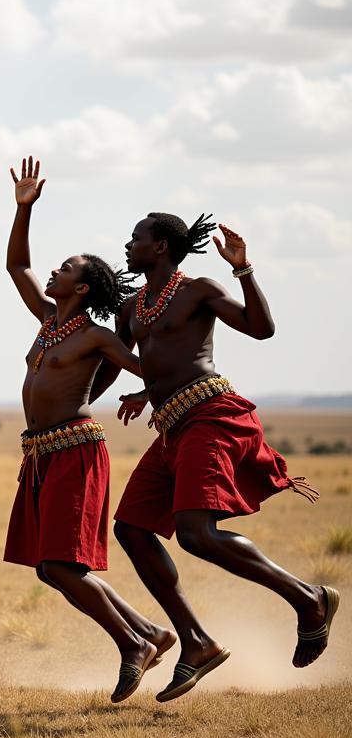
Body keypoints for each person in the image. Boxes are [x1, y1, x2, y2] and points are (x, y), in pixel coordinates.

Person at [92, 211, 333, 701]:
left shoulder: (198, 288)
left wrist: (244, 271)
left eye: (136, 236)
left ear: (160, 246)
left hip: (210, 414)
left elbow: (260, 329)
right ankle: (197, 642)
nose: (128, 243)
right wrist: (76, 405)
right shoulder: (133, 305)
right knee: (132, 528)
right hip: (172, 426)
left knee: (196, 534)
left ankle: (308, 598)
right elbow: (126, 360)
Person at [4, 158, 177, 701]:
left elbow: (151, 365)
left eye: (64, 269)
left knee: (61, 564)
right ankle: (148, 633)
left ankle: (133, 644)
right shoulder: (49, 322)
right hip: (41, 454)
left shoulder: (99, 337)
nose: (53, 274)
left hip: (78, 451)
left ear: (80, 288)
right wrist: (23, 210)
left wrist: (148, 390)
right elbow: (17, 267)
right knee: (51, 569)